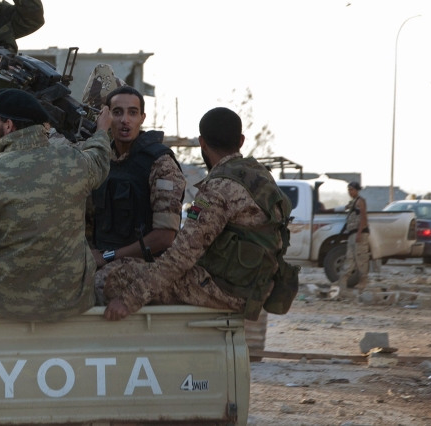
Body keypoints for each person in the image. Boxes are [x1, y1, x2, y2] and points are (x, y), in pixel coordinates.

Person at [102, 107, 291, 322]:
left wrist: (128, 300)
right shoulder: (259, 176)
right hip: (254, 284)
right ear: (241, 141)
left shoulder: (218, 188)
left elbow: (180, 256)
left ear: (202, 143)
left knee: (118, 274)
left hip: (228, 290)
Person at [0, 89, 112, 321]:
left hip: (2, 302)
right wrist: (102, 131)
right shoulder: (73, 161)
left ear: (8, 126)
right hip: (72, 303)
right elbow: (99, 158)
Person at [91, 86, 187, 303]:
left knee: (98, 285)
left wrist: (107, 257)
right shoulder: (100, 159)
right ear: (106, 117)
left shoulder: (161, 164)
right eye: (117, 112)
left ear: (142, 118)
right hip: (105, 255)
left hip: (146, 262)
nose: (125, 120)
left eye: (132, 113)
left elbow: (164, 238)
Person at [340, 181, 370, 289]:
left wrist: (359, 233)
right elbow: (344, 208)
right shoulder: (352, 202)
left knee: (361, 258)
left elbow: (363, 217)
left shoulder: (360, 201)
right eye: (348, 190)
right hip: (352, 233)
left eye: (351, 189)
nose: (350, 192)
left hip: (359, 233)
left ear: (357, 190)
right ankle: (343, 282)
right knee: (350, 258)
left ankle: (364, 281)